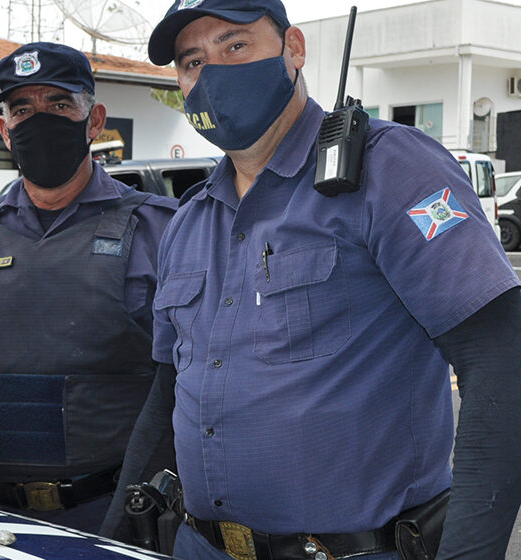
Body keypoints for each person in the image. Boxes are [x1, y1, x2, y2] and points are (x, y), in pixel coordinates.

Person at [136, 1, 521, 558]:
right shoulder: (190, 220)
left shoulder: (391, 171)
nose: (212, 73)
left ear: (294, 48)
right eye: (192, 61)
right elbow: (165, 395)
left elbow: (502, 362)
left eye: (235, 45)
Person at [0, 42, 177, 533]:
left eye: (60, 105)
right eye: (23, 109)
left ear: (94, 122)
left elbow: (194, 379)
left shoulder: (159, 229)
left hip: (113, 513)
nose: (39, 120)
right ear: (6, 131)